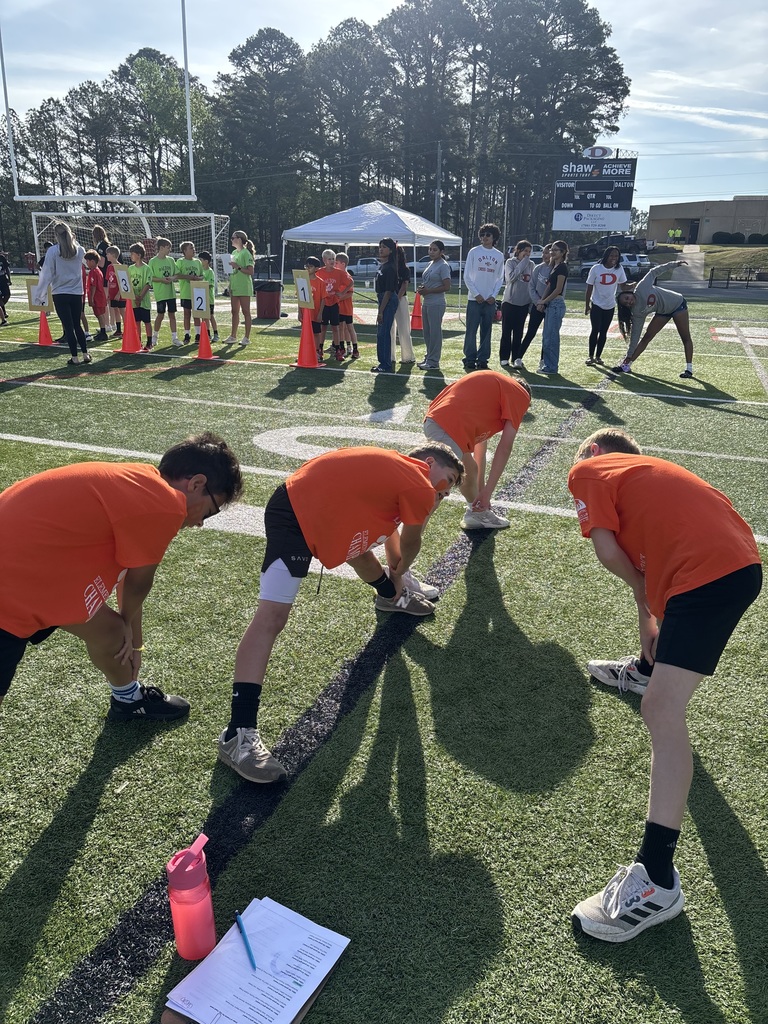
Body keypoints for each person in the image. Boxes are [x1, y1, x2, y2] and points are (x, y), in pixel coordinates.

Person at [567, 428, 762, 943]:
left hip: (705, 576)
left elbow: (611, 552)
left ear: (594, 453)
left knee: (661, 710)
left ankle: (656, 878)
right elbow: (652, 558)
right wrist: (647, 619)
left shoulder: (589, 469)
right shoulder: (649, 480)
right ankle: (644, 667)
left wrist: (641, 589)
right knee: (658, 675)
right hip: (733, 565)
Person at [216, 443, 464, 783]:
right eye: (446, 481)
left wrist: (395, 579)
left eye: (448, 493)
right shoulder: (418, 484)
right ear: (430, 463)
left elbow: (387, 530)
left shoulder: (394, 475)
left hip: (308, 506)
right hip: (296, 515)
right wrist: (401, 573)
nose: (443, 492)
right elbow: (409, 544)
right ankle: (237, 733)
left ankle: (389, 597)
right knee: (271, 618)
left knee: (358, 545)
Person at [0, 433, 243, 721]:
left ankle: (128, 699)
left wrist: (131, 636)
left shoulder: (141, 482)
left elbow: (130, 578)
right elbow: (139, 582)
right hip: (16, 579)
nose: (201, 522)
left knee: (110, 631)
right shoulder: (166, 502)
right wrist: (129, 626)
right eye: (211, 511)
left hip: (32, 569)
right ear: (196, 484)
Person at [424, 370, 531, 529]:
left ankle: (476, 514)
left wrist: (481, 490)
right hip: (448, 427)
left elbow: (480, 449)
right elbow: (505, 447)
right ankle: (407, 540)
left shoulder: (492, 394)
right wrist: (487, 493)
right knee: (437, 491)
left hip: (439, 422)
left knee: (470, 470)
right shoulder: (519, 394)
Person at [612, 261, 694, 378]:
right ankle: (627, 365)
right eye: (626, 303)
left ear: (629, 293)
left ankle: (689, 369)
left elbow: (654, 272)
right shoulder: (636, 313)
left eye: (627, 298)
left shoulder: (641, 288)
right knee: (647, 337)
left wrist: (674, 264)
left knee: (685, 337)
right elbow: (635, 335)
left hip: (678, 305)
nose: (629, 301)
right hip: (662, 312)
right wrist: (629, 355)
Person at [33, 221, 90, 366]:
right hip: (77, 292)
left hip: (60, 292)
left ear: (56, 235)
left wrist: (40, 293)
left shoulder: (53, 251)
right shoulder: (79, 250)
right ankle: (85, 354)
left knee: (68, 326)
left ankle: (74, 357)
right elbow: (86, 264)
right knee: (77, 325)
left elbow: (47, 273)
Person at [462, 223, 505, 372]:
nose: (484, 237)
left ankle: (483, 359)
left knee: (487, 331)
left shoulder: (499, 255)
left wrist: (493, 296)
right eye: (482, 234)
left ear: (494, 237)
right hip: (475, 299)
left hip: (489, 301)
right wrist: (476, 294)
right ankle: (469, 358)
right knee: (471, 330)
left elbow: (500, 278)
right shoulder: (474, 252)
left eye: (488, 235)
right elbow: (467, 276)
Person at [511, 244, 551, 369]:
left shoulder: (558, 269)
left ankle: (544, 361)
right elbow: (531, 287)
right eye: (543, 253)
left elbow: (558, 290)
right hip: (537, 306)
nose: (545, 255)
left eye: (548, 253)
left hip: (550, 306)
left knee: (548, 334)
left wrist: (545, 302)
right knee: (530, 332)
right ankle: (518, 358)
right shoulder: (538, 268)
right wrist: (538, 302)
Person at [584, 246, 626, 366]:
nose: (614, 258)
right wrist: (587, 305)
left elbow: (623, 286)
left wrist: (635, 285)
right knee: (595, 329)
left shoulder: (619, 269)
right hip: (597, 304)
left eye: (616, 256)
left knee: (603, 332)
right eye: (612, 255)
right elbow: (589, 287)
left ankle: (598, 356)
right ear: (606, 255)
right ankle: (590, 356)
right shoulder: (596, 269)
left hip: (610, 305)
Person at [417, 240, 452, 370]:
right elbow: (428, 281)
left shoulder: (443, 265)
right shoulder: (430, 263)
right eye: (430, 249)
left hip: (436, 303)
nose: (431, 252)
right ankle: (428, 357)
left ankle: (433, 361)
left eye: (434, 249)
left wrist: (429, 290)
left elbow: (447, 286)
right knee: (427, 333)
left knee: (435, 333)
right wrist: (423, 288)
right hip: (427, 302)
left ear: (441, 252)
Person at [499, 240, 534, 367]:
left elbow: (531, 283)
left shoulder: (531, 265)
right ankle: (504, 357)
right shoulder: (510, 262)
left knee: (518, 332)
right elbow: (511, 278)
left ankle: (516, 358)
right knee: (507, 331)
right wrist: (522, 263)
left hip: (523, 304)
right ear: (518, 250)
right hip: (509, 302)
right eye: (525, 251)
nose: (527, 254)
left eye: (529, 252)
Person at [537, 239, 569, 375]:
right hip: (551, 304)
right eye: (552, 250)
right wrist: (542, 301)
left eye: (556, 250)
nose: (552, 252)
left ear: (562, 253)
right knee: (546, 337)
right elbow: (549, 286)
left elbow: (558, 289)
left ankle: (551, 366)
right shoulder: (554, 267)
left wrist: (544, 301)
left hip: (556, 304)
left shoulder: (562, 267)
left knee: (552, 337)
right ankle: (548, 364)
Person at [371, 237, 400, 374]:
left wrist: (381, 311)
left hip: (387, 299)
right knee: (380, 333)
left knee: (383, 332)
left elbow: (388, 291)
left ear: (390, 250)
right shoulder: (383, 265)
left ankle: (386, 364)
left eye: (384, 247)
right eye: (380, 246)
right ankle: (382, 362)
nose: (381, 249)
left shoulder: (390, 267)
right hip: (382, 298)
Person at [224, 230, 254, 347]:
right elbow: (232, 271)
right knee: (234, 311)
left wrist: (238, 267)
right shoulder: (234, 252)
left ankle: (246, 337)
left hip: (244, 286)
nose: (232, 240)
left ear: (240, 239)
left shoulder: (246, 253)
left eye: (234, 237)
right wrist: (230, 285)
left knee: (246, 311)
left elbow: (250, 271)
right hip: (235, 286)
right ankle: (233, 336)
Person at [316, 248, 347, 361]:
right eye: (329, 259)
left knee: (336, 328)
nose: (332, 261)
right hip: (323, 304)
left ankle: (338, 349)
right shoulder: (319, 272)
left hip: (334, 304)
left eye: (333, 259)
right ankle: (320, 349)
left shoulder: (339, 273)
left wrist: (342, 293)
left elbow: (350, 282)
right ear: (324, 260)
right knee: (322, 328)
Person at [149, 237, 179, 348]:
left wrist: (172, 278)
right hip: (160, 293)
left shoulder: (171, 260)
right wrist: (161, 280)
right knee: (160, 315)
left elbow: (176, 274)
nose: (169, 249)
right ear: (161, 248)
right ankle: (154, 337)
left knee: (172, 315)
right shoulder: (153, 261)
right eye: (168, 247)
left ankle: (175, 338)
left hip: (171, 293)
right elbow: (151, 277)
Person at [390, 246, 415, 366]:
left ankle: (408, 356)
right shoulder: (389, 268)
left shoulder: (405, 269)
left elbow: (404, 285)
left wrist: (397, 298)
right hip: (388, 299)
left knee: (404, 328)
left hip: (401, 299)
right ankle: (390, 356)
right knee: (390, 329)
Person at [175, 241, 204, 344]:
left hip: (197, 293)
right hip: (186, 292)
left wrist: (197, 278)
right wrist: (189, 277)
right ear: (184, 251)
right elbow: (177, 275)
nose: (193, 250)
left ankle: (198, 334)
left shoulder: (197, 262)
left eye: (193, 247)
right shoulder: (180, 262)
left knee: (197, 314)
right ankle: (187, 334)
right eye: (191, 248)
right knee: (187, 314)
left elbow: (202, 275)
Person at [128, 242, 154, 350]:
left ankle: (149, 342)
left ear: (138, 255)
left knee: (147, 322)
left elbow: (148, 284)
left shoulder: (147, 269)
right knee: (137, 322)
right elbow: (128, 284)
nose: (131, 256)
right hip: (134, 301)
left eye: (132, 254)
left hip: (144, 301)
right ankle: (138, 341)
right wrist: (134, 297)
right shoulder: (130, 268)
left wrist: (141, 297)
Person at [334, 252, 359, 359]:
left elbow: (350, 293)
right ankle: (342, 347)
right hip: (339, 308)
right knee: (340, 328)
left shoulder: (347, 276)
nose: (335, 265)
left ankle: (355, 349)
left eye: (337, 263)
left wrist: (338, 297)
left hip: (346, 308)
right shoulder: (337, 276)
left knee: (349, 328)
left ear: (343, 264)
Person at [92, 225, 113, 331]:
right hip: (108, 275)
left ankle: (107, 324)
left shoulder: (101, 246)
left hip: (104, 276)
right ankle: (110, 324)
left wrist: (92, 261)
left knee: (104, 301)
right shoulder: (106, 244)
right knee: (108, 301)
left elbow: (102, 263)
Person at [303, 256, 325, 360]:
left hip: (316, 313)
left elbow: (323, 299)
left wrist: (320, 313)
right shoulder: (303, 281)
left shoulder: (320, 282)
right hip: (306, 313)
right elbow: (300, 298)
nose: (307, 268)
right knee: (306, 333)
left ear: (316, 269)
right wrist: (299, 312)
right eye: (306, 266)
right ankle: (306, 352)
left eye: (310, 266)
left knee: (316, 333)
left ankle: (317, 352)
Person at [84, 250, 109, 341]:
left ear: (93, 261)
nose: (86, 263)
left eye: (87, 261)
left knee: (99, 314)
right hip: (100, 296)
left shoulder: (93, 272)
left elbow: (93, 286)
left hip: (97, 297)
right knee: (100, 314)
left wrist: (91, 298)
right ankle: (103, 331)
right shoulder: (97, 271)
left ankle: (103, 332)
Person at [198, 250, 220, 344]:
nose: (199, 262)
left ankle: (216, 334)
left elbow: (210, 284)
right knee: (204, 317)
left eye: (201, 260)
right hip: (201, 298)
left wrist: (202, 284)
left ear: (206, 261)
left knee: (210, 316)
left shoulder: (210, 272)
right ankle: (207, 334)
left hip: (209, 299)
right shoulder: (200, 270)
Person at [104, 245, 125, 339]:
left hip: (119, 295)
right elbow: (108, 280)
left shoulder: (120, 267)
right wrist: (108, 293)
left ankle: (127, 329)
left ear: (113, 255)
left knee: (122, 312)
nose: (106, 256)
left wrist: (119, 294)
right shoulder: (109, 267)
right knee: (115, 310)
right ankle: (119, 330)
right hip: (112, 294)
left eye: (107, 254)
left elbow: (123, 282)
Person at [0, 250, 11, 326]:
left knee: (7, 295)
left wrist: (9, 279)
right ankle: (3, 314)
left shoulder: (1, 258)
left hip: (3, 278)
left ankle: (2, 311)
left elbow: (7, 268)